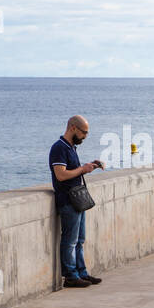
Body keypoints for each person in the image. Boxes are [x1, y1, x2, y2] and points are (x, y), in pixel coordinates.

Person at [49, 115, 104, 288]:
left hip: (77, 200)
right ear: (73, 128)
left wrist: (90, 166)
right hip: (67, 200)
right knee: (70, 240)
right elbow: (61, 174)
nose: (85, 137)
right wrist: (83, 170)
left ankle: (82, 272)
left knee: (80, 240)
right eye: (84, 133)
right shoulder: (59, 148)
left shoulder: (71, 147)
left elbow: (73, 170)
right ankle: (70, 276)